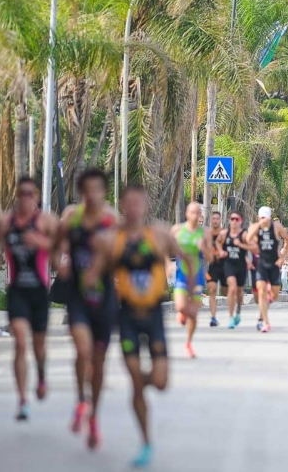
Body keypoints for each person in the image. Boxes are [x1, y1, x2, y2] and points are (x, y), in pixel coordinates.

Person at [84, 185, 193, 468]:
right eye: (128, 203)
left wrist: (191, 297)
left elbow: (188, 259)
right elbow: (93, 273)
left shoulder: (158, 234)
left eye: (138, 203)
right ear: (122, 206)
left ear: (145, 205)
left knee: (160, 382)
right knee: (135, 378)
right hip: (128, 316)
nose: (133, 208)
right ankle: (145, 442)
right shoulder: (112, 239)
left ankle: (139, 386)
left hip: (154, 315)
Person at [0, 176, 58, 421]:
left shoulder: (45, 221)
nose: (25, 199)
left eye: (30, 194)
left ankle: (40, 376)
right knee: (20, 343)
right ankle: (22, 400)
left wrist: (43, 243)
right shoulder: (5, 222)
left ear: (37, 197)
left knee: (39, 348)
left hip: (39, 292)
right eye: (21, 194)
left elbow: (60, 251)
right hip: (17, 291)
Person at [57, 168, 116, 445]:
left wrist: (104, 261)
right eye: (87, 190)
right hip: (78, 295)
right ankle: (81, 399)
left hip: (104, 297)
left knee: (100, 360)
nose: (92, 195)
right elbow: (56, 246)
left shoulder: (111, 219)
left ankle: (94, 416)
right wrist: (60, 264)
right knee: (83, 350)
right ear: (81, 193)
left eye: (98, 190)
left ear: (104, 192)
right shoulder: (72, 216)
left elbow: (120, 254)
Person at [171, 203, 212, 357]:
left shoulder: (205, 233)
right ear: (187, 213)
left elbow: (211, 257)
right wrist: (167, 265)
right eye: (192, 212)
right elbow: (164, 246)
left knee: (193, 314)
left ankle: (188, 343)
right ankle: (182, 312)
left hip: (196, 276)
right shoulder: (177, 230)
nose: (195, 215)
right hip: (182, 275)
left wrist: (204, 248)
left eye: (198, 212)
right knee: (181, 307)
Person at [246, 207, 288, 331]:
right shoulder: (255, 227)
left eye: (266, 217)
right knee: (261, 291)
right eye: (261, 217)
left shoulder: (277, 228)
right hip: (261, 263)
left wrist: (282, 256)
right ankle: (265, 322)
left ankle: (263, 314)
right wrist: (258, 225)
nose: (264, 220)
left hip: (274, 264)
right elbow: (248, 238)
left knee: (274, 294)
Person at [216, 212, 251, 328]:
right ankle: (230, 317)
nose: (234, 221)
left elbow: (254, 247)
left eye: (237, 219)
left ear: (240, 221)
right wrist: (220, 251)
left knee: (240, 292)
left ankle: (238, 311)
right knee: (232, 288)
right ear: (229, 221)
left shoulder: (244, 234)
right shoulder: (224, 234)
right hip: (229, 264)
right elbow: (218, 242)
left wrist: (241, 245)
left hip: (240, 266)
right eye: (232, 219)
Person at [206, 211, 226, 327]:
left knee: (226, 292)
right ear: (211, 220)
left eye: (217, 218)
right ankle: (213, 318)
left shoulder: (224, 233)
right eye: (213, 218)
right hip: (212, 266)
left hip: (224, 266)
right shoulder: (207, 234)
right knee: (212, 290)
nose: (215, 221)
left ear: (220, 220)